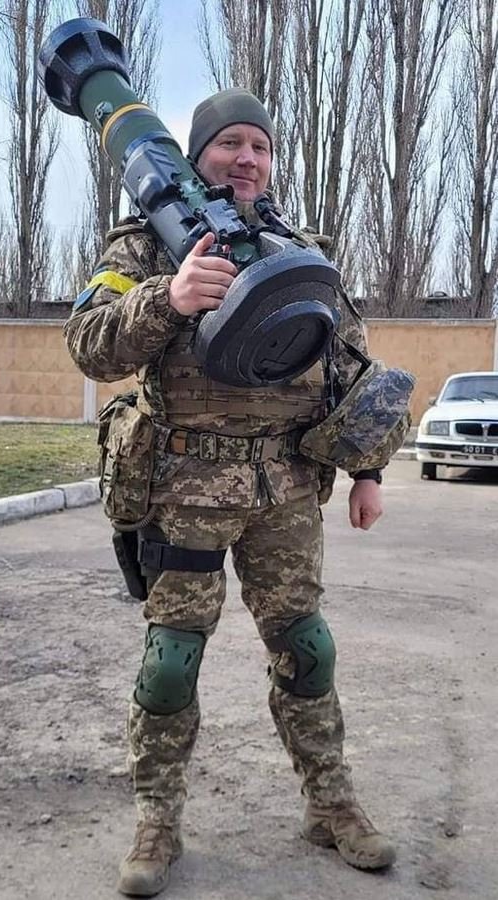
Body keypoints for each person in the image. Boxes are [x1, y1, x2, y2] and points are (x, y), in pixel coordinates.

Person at [65, 87, 396, 898]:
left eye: (260, 145)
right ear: (198, 153)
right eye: (229, 143)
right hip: (184, 488)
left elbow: (351, 364)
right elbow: (89, 344)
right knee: (171, 662)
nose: (246, 158)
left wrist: (368, 470)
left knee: (307, 649)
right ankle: (157, 823)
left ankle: (331, 805)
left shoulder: (300, 248)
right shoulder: (146, 243)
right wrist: (169, 297)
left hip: (285, 490)